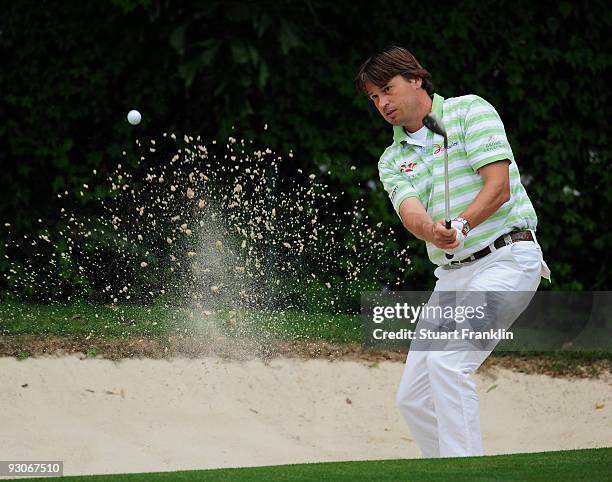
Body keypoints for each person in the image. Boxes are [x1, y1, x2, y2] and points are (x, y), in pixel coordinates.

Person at [354, 46, 551, 458]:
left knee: (448, 364)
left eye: (387, 89)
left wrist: (460, 225)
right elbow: (412, 213)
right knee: (413, 396)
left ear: (416, 79)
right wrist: (433, 231)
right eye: (374, 97)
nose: (383, 103)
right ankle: (444, 468)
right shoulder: (392, 159)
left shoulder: (468, 111)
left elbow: (498, 187)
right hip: (453, 277)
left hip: (507, 259)